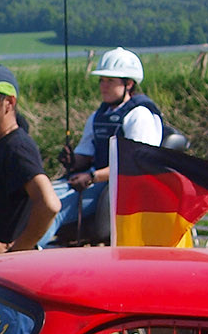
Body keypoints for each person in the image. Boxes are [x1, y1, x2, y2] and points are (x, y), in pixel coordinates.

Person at [52, 48, 163, 245]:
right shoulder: (97, 116)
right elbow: (85, 155)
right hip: (95, 181)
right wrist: (72, 160)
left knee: (54, 210)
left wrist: (93, 176)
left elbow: (136, 164)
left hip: (118, 187)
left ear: (128, 84)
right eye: (101, 80)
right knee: (43, 199)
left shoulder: (139, 116)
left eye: (110, 81)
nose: (103, 86)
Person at [0, 65, 58, 255]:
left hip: (4, 271)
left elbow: (49, 204)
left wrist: (15, 250)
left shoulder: (17, 147)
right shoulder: (0, 144)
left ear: (9, 102)